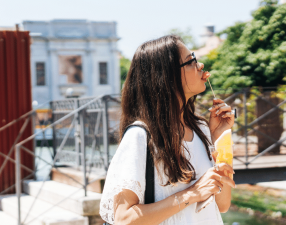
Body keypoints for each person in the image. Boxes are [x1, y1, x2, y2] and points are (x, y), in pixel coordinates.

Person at [99, 35, 236, 225]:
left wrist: (219, 138)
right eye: (191, 61)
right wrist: (191, 194)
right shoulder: (140, 137)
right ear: (166, 77)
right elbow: (124, 218)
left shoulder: (203, 129)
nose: (201, 65)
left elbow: (222, 205)